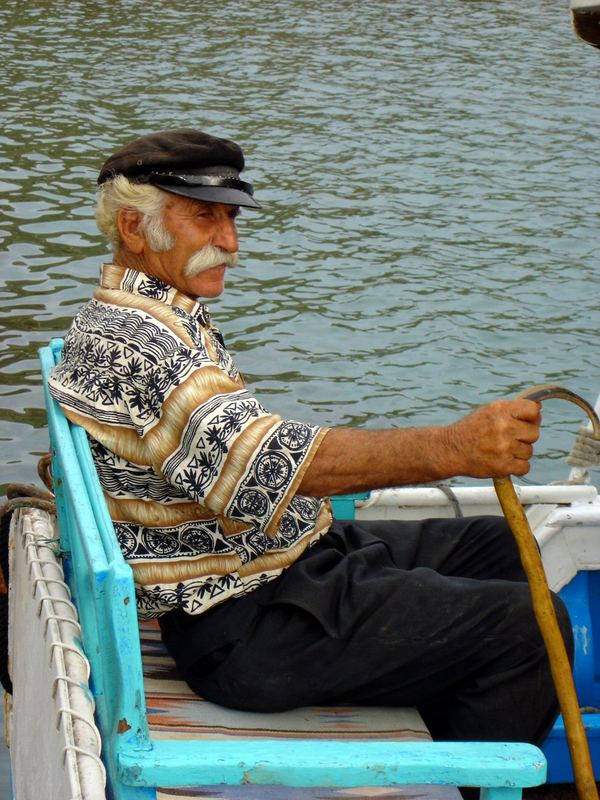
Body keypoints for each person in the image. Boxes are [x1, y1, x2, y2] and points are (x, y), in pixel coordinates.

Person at [48, 128, 573, 749]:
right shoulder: (136, 343)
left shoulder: (151, 314)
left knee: (506, 545)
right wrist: (452, 449)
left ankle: (449, 704)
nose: (230, 243)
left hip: (283, 560)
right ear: (134, 229)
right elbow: (258, 464)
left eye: (231, 218)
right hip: (241, 626)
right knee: (532, 628)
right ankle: (468, 781)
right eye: (205, 218)